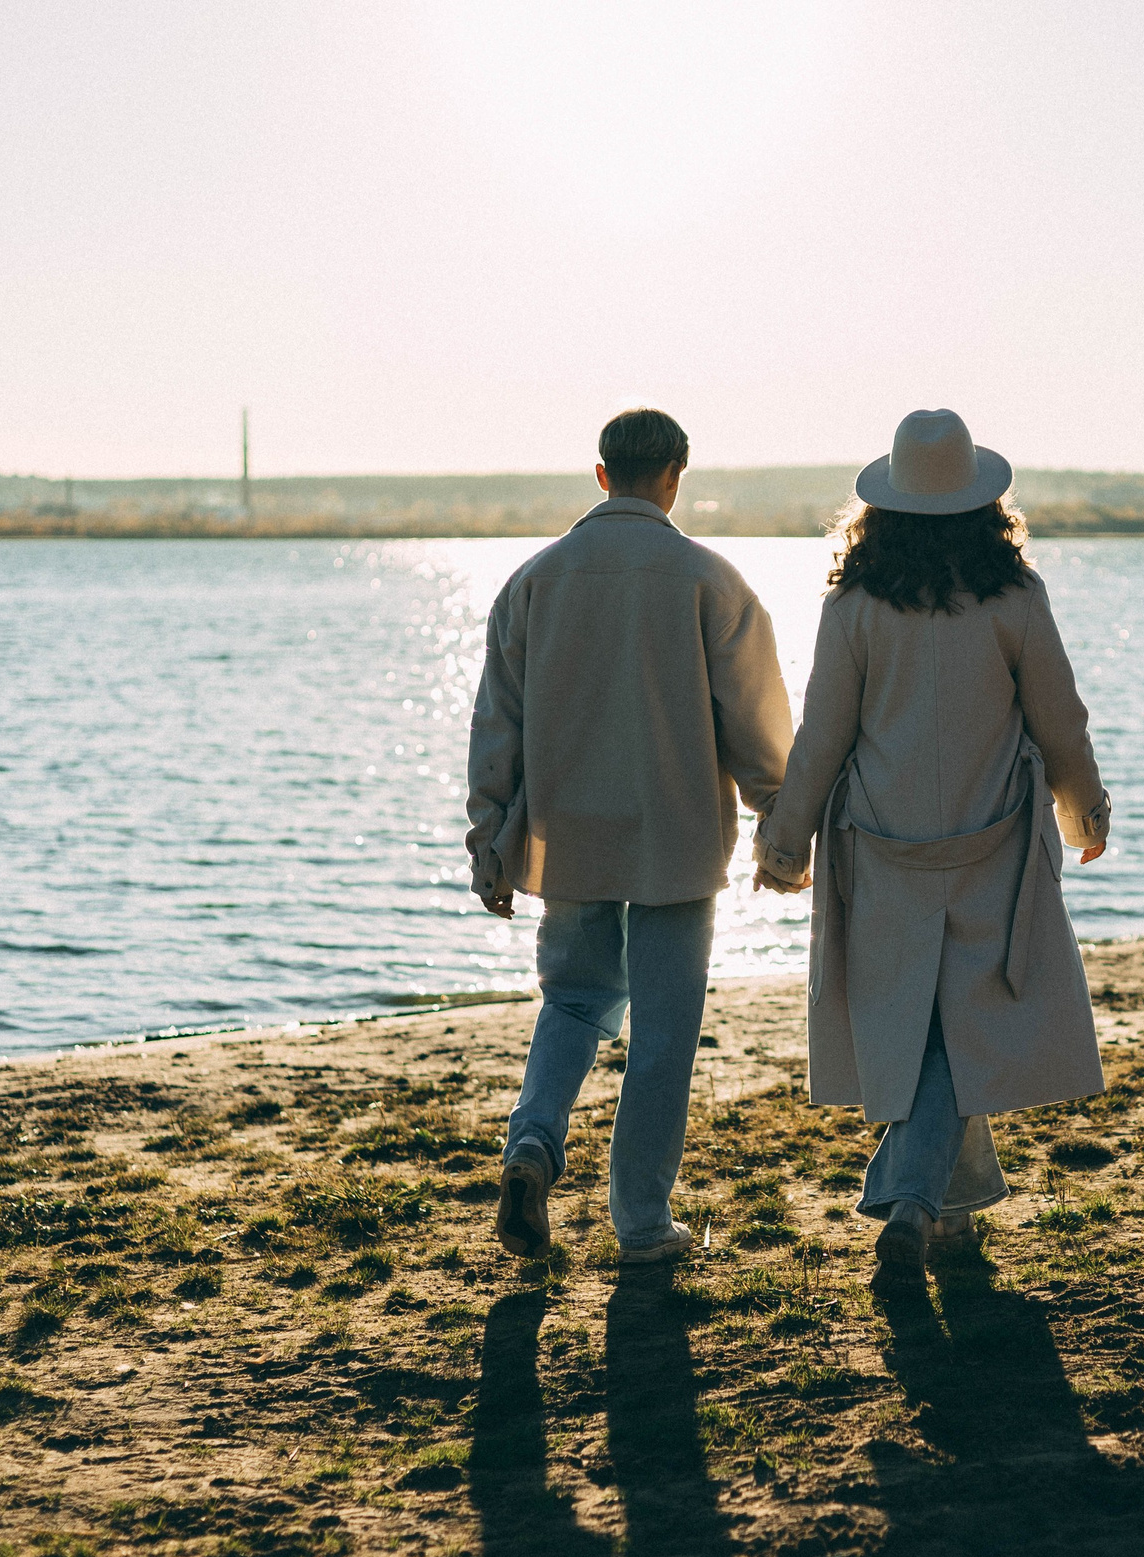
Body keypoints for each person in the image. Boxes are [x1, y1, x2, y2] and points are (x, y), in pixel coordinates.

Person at [753, 409, 1110, 1274]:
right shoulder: (1015, 597)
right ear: (984, 505)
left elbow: (823, 737)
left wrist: (784, 841)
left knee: (929, 1030)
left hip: (885, 849)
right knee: (961, 1028)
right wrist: (1084, 807)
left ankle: (945, 1214)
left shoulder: (855, 606)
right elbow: (1058, 719)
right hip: (991, 844)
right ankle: (916, 1201)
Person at [467, 407, 795, 1264]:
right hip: (677, 839)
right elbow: (756, 729)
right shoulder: (709, 580)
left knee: (574, 999)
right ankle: (642, 1223)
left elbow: (497, 723)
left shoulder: (534, 580)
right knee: (663, 1029)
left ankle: (533, 1145)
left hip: (568, 836)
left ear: (603, 474)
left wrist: (490, 836)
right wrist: (780, 826)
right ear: (676, 477)